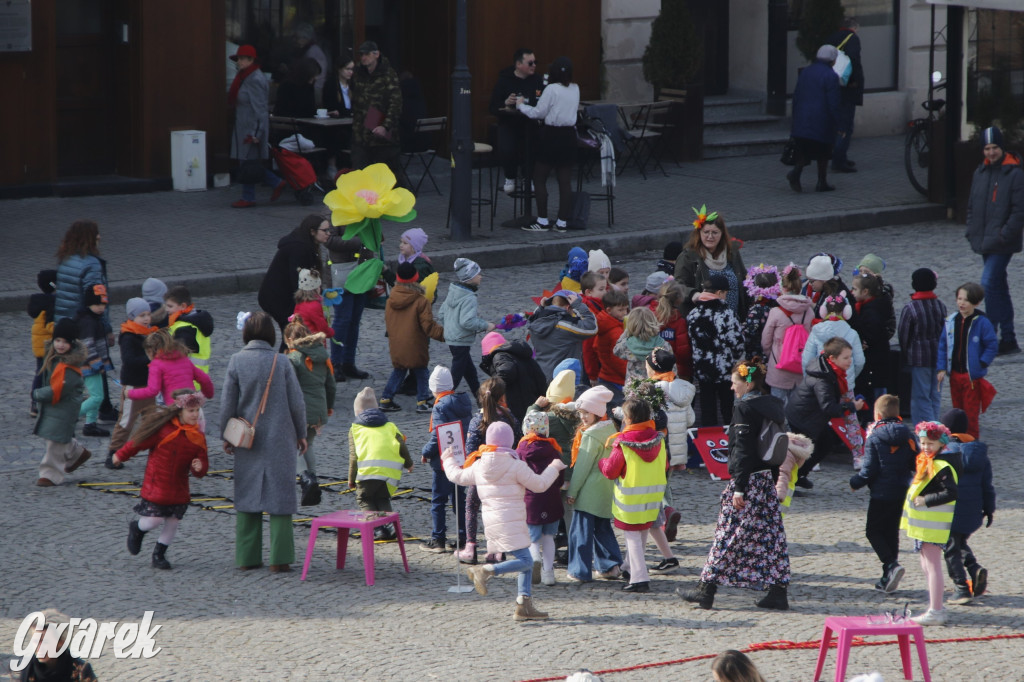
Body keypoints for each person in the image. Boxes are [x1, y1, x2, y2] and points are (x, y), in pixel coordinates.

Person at [683, 359, 790, 610]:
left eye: (735, 383)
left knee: (728, 533)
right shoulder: (774, 405)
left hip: (749, 481)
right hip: (765, 479)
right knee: (770, 537)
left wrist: (739, 487)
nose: (732, 388)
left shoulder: (745, 407)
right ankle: (778, 591)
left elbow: (743, 449)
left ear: (748, 382)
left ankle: (705, 588)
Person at [444, 421, 566, 621]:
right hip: (513, 520)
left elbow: (456, 475)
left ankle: (523, 604)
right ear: (510, 442)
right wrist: (554, 467)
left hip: (493, 522)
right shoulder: (516, 465)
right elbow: (540, 485)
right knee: (526, 561)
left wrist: (447, 457)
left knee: (525, 559)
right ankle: (486, 570)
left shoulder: (479, 464)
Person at [220, 311, 308, 573]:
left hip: (248, 438)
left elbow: (228, 403)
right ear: (272, 334)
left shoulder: (236, 361)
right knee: (281, 497)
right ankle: (280, 559)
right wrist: (301, 433)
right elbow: (297, 402)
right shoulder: (281, 362)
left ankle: (247, 557)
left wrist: (226, 435)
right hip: (280, 436)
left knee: (248, 495)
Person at [113, 391, 209, 570]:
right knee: (153, 521)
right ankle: (137, 528)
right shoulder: (163, 430)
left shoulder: (197, 437)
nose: (195, 414)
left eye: (197, 410)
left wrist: (199, 467)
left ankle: (159, 555)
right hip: (157, 484)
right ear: (180, 412)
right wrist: (120, 455)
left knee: (173, 523)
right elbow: (138, 443)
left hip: (179, 488)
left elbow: (202, 466)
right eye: (191, 411)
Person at [965, 125, 1024, 355]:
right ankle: (1008, 338)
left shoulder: (1015, 174)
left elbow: (1019, 211)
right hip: (984, 240)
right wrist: (971, 230)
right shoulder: (980, 172)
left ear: (1002, 148)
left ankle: (990, 336)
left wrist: (1004, 234)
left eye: (994, 148)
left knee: (987, 284)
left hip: (1002, 242)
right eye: (987, 148)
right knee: (998, 287)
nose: (991, 152)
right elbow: (972, 205)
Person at [600, 397, 668, 593]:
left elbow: (611, 471)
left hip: (629, 499)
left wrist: (601, 463)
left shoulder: (623, 443)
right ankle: (629, 567)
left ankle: (639, 577)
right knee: (643, 531)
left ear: (628, 419)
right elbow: (664, 465)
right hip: (653, 496)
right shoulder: (659, 439)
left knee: (632, 536)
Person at [849, 394, 916, 593]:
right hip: (901, 490)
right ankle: (889, 575)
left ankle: (891, 564)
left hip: (880, 493)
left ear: (877, 414)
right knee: (891, 531)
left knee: (873, 531)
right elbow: (915, 463)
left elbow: (869, 470)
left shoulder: (875, 437)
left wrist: (855, 482)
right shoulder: (909, 436)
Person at [53, 220, 117, 425]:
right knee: (97, 363)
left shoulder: (66, 259)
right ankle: (102, 408)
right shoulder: (91, 263)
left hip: (66, 321)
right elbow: (97, 299)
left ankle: (85, 410)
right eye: (97, 234)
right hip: (87, 324)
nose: (100, 237)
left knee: (73, 368)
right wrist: (106, 328)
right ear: (89, 237)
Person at [786, 337, 867, 488]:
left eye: (851, 356)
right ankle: (790, 481)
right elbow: (828, 407)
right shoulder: (823, 379)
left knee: (825, 444)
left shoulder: (828, 370)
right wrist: (852, 406)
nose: (850, 361)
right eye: (846, 357)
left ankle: (800, 474)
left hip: (811, 416)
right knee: (805, 451)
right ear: (832, 358)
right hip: (803, 418)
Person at [902, 421, 959, 626]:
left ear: (940, 444)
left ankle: (936, 609)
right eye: (923, 443)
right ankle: (935, 606)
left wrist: (926, 500)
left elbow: (951, 493)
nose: (925, 447)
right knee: (927, 564)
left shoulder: (939, 465)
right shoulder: (927, 461)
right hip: (924, 523)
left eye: (930, 444)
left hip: (932, 524)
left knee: (933, 566)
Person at [461, 377, 522, 564]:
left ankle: (470, 547)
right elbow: (518, 442)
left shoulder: (477, 420)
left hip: (482, 473)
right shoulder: (510, 418)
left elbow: (470, 449)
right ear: (503, 397)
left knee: (472, 507)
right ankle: (496, 550)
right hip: (505, 474)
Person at [516, 56, 580, 233]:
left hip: (552, 135)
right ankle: (562, 222)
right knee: (564, 181)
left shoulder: (551, 89)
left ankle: (543, 220)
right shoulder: (575, 88)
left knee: (539, 177)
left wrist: (521, 106)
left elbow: (538, 112)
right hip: (569, 136)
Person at [565, 386, 622, 582]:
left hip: (588, 491)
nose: (582, 417)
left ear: (597, 412)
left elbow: (582, 467)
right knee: (603, 529)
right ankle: (610, 566)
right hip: (606, 488)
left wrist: (572, 491)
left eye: (586, 413)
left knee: (580, 533)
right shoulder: (610, 428)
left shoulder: (589, 435)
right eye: (580, 413)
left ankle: (579, 570)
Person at [941, 408, 994, 604]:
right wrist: (989, 510)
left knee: (950, 548)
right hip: (972, 512)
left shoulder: (945, 453)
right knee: (958, 543)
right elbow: (987, 486)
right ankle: (974, 568)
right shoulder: (979, 454)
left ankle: (961, 587)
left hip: (950, 510)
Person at [347, 386, 413, 540]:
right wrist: (408, 464)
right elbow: (402, 445)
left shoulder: (355, 429)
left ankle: (378, 529)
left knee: (365, 499)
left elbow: (354, 457)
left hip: (366, 473)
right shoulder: (390, 426)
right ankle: (390, 526)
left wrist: (351, 478)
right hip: (389, 474)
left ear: (358, 412)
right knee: (382, 498)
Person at [379, 263, 445, 413]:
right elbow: (428, 326)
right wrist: (446, 335)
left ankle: (386, 399)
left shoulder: (391, 299)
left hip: (397, 343)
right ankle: (422, 401)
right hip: (415, 344)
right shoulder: (421, 300)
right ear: (416, 278)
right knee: (421, 371)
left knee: (399, 370)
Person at [419, 365, 472, 553]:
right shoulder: (463, 402)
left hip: (444, 461)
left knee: (438, 500)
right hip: (462, 457)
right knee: (459, 499)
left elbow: (438, 436)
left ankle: (438, 538)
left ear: (434, 388)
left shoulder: (440, 406)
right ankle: (463, 537)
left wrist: (426, 452)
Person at [283, 319, 336, 507]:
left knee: (294, 446)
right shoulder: (322, 356)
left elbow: (291, 389)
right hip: (319, 410)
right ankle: (313, 480)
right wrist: (328, 408)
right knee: (309, 444)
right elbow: (331, 385)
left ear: (290, 339)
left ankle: (306, 480)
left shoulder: (292, 359)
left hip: (301, 411)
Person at [32, 319, 89, 487]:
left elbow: (57, 389)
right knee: (57, 436)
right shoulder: (55, 359)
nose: (60, 345)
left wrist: (37, 394)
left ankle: (50, 474)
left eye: (65, 341)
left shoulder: (69, 367)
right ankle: (77, 452)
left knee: (55, 442)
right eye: (58, 340)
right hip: (56, 408)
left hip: (64, 408)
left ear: (72, 343)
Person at [257, 214, 331, 347]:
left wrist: (322, 292)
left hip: (285, 295)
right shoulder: (300, 248)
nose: (328, 233)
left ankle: (287, 362)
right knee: (292, 333)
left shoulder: (307, 245)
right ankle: (285, 363)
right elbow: (297, 279)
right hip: (277, 297)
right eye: (324, 230)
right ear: (312, 232)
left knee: (292, 333)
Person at [937, 282, 998, 439]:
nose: (961, 303)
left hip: (971, 377)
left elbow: (991, 345)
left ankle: (971, 442)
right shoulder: (951, 320)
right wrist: (942, 367)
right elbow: (943, 345)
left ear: (976, 303)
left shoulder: (982, 322)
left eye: (966, 300)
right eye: (959, 299)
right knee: (956, 411)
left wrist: (982, 362)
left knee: (970, 414)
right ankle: (957, 439)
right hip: (955, 374)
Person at [228, 44, 286, 208]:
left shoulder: (254, 79)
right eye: (238, 58)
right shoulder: (244, 77)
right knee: (247, 162)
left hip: (251, 128)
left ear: (250, 60)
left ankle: (264, 187)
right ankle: (255, 192)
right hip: (245, 126)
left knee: (249, 163)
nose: (238, 62)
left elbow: (260, 109)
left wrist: (256, 133)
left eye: (241, 59)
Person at [350, 40, 409, 188]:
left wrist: (386, 126)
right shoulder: (358, 73)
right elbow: (353, 95)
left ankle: (402, 201)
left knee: (390, 173)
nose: (363, 58)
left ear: (376, 54)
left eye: (367, 54)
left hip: (382, 133)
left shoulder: (388, 74)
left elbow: (395, 103)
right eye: (361, 54)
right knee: (360, 171)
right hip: (361, 132)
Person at [687, 273, 744, 426]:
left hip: (702, 369)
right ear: (719, 293)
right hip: (724, 369)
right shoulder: (726, 314)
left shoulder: (693, 314)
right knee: (727, 406)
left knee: (707, 407)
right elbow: (737, 343)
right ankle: (730, 438)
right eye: (725, 293)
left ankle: (708, 441)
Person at [108, 298, 158, 465]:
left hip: (149, 385)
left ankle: (156, 452)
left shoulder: (148, 333)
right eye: (141, 315)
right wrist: (149, 358)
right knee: (126, 421)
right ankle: (114, 453)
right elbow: (130, 360)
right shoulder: (128, 336)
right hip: (133, 386)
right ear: (132, 317)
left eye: (148, 314)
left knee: (152, 421)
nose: (146, 318)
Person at [518, 410, 565, 586]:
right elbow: (560, 474)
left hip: (530, 500)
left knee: (533, 539)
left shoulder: (521, 450)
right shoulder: (553, 449)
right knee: (549, 537)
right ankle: (548, 573)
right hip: (551, 498)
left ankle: (534, 559)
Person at [674, 210, 749, 319]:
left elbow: (743, 278)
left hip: (734, 318)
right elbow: (678, 286)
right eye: (706, 232)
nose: (710, 236)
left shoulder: (732, 252)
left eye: (715, 232)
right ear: (699, 233)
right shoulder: (688, 257)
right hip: (704, 320)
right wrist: (693, 294)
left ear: (722, 234)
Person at [787, 45, 841, 193]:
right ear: (832, 60)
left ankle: (796, 173)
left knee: (804, 149)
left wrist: (795, 117)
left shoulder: (806, 72)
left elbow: (797, 95)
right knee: (823, 152)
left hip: (803, 118)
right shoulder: (831, 76)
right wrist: (839, 122)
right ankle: (821, 182)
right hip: (822, 119)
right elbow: (834, 102)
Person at [489, 47, 544, 194]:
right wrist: (506, 103)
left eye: (535, 62)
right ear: (518, 65)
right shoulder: (504, 80)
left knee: (533, 146)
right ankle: (510, 176)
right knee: (507, 148)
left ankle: (528, 177)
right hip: (509, 123)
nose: (534, 65)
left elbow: (543, 102)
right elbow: (493, 106)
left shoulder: (538, 80)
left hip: (530, 123)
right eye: (530, 63)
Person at [324, 222, 373, 381]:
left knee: (354, 321)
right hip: (342, 273)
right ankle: (336, 364)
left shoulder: (366, 208)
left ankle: (348, 363)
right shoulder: (335, 209)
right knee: (342, 320)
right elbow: (329, 240)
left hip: (363, 269)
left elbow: (372, 236)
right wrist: (360, 240)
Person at [438, 258, 495, 396]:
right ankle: (443, 398)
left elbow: (441, 314)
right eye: (478, 273)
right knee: (456, 373)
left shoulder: (453, 291)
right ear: (470, 277)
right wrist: (486, 325)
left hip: (452, 337)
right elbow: (467, 322)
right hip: (461, 338)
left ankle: (479, 397)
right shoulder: (469, 297)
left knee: (469, 370)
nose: (481, 276)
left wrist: (451, 328)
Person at [898, 268, 947, 424]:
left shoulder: (911, 308)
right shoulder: (940, 305)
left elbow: (904, 334)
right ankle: (936, 423)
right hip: (939, 357)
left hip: (919, 358)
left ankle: (926, 427)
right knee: (935, 394)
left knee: (921, 395)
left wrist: (905, 354)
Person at [761, 263, 814, 405]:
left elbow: (766, 341)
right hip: (800, 365)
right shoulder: (809, 312)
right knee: (797, 408)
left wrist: (771, 356)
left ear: (782, 288)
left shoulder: (776, 312)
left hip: (779, 367)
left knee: (778, 408)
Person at [127, 330, 215, 411]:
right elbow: (205, 379)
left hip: (174, 408)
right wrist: (209, 394)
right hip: (192, 404)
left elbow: (152, 390)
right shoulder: (183, 358)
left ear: (151, 351)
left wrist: (130, 393)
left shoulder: (156, 364)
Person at [478, 330, 548, 423]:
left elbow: (506, 372)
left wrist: (492, 389)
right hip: (532, 401)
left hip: (517, 405)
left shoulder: (499, 355)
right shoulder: (520, 354)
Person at [528, 290, 598, 380]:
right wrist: (578, 306)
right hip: (563, 378)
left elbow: (535, 315)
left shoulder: (535, 322)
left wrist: (541, 307)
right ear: (569, 308)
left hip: (541, 374)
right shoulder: (565, 327)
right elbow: (592, 328)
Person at [74, 284, 114, 438]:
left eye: (103, 304)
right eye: (97, 304)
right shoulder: (88, 321)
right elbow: (87, 346)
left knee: (94, 395)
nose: (101, 308)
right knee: (98, 397)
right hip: (90, 366)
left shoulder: (94, 318)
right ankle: (69, 418)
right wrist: (98, 364)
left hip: (93, 365)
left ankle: (90, 424)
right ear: (88, 303)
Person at [802, 292, 864, 389]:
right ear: (846, 311)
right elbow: (860, 362)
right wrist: (850, 377)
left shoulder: (815, 332)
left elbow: (807, 360)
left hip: (821, 385)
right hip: (845, 386)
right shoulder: (852, 334)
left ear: (824, 310)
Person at [16, 608, 98, 682]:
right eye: (35, 641)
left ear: (61, 642)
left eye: (45, 641)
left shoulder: (81, 670)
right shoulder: (28, 669)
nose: (39, 647)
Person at [826, 17, 864, 173]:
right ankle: (839, 159)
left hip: (831, 85)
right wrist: (854, 81)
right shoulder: (852, 38)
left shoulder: (831, 37)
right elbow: (854, 60)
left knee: (835, 123)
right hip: (846, 87)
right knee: (845, 124)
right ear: (854, 28)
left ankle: (839, 156)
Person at [850, 272, 895, 402]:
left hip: (874, 363)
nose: (851, 292)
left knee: (876, 397)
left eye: (854, 289)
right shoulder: (872, 306)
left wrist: (862, 342)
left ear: (865, 292)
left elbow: (872, 335)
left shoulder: (871, 311)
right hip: (876, 363)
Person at [164, 285, 215, 379]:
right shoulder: (197, 320)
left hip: (186, 381)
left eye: (170, 306)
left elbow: (175, 355)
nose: (167, 309)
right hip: (197, 379)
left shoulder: (184, 328)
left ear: (183, 306)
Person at [28, 269, 57, 418]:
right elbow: (50, 325)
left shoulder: (38, 301)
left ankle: (35, 402)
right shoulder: (52, 302)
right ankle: (42, 400)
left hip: (39, 343)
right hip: (48, 344)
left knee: (40, 372)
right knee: (47, 372)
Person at [650, 280, 693, 381]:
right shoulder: (679, 322)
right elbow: (683, 353)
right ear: (679, 300)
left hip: (653, 368)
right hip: (677, 371)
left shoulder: (650, 316)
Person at [614, 307, 669, 385]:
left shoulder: (627, 345)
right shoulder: (663, 344)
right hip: (658, 389)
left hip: (634, 389)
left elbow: (616, 350)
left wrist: (627, 331)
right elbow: (671, 368)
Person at [594, 288, 629, 402]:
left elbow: (595, 346)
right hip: (617, 379)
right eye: (620, 310)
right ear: (609, 310)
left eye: (626, 309)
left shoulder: (602, 323)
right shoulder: (615, 332)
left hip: (605, 374)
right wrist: (630, 374)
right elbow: (618, 360)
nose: (624, 313)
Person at [322, 59, 355, 175]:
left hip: (350, 120)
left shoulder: (353, 85)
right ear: (340, 69)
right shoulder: (331, 84)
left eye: (352, 69)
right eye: (348, 69)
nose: (350, 72)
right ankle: (332, 165)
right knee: (333, 134)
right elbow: (329, 104)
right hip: (335, 121)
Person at [742, 264, 780, 361]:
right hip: (777, 354)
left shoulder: (756, 310)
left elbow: (749, 336)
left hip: (757, 358)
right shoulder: (779, 306)